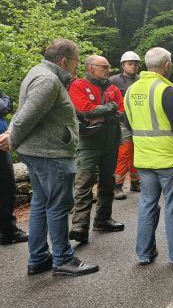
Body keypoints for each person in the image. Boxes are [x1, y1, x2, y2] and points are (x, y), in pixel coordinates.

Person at [0, 38, 98, 276]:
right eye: (75, 62)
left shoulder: (40, 72)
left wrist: (13, 138)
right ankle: (63, 259)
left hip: (39, 152)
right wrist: (11, 138)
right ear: (64, 60)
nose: (76, 68)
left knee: (41, 204)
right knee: (57, 206)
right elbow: (26, 115)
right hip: (49, 154)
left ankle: (39, 257)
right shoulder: (47, 79)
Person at [124, 47, 173, 265]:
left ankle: (145, 253)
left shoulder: (131, 90)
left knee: (147, 204)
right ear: (167, 65)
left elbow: (127, 122)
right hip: (168, 157)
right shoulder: (165, 90)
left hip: (143, 157)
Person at [68, 55, 125, 244]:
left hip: (111, 140)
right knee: (84, 182)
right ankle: (79, 226)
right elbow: (84, 109)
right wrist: (109, 108)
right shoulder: (78, 85)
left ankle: (103, 219)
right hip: (89, 143)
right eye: (104, 66)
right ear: (91, 68)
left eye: (108, 66)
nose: (108, 69)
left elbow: (122, 110)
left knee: (108, 181)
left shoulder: (113, 87)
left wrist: (102, 111)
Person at [108, 51, 141, 199]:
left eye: (135, 64)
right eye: (130, 64)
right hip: (122, 122)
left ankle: (136, 181)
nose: (133, 66)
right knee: (124, 153)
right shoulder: (114, 80)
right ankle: (117, 185)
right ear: (122, 65)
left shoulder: (141, 80)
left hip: (139, 121)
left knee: (137, 153)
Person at [0, 88, 28, 245]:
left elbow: (7, 103)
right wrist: (5, 101)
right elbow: (4, 105)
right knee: (5, 189)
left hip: (2, 145)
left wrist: (5, 101)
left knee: (7, 190)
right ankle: (8, 231)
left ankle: (7, 230)